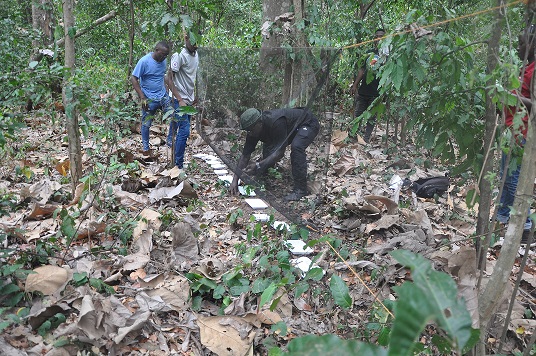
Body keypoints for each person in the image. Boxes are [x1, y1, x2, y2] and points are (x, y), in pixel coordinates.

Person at [229, 107, 320, 201]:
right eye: (248, 131)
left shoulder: (276, 122)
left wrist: (258, 165)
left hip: (308, 123)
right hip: (290, 130)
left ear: (259, 124)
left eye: (251, 130)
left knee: (297, 147)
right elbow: (245, 156)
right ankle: (264, 178)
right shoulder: (252, 130)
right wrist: (235, 180)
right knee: (268, 151)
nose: (250, 133)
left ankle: (301, 190)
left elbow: (280, 153)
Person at [497, 25, 535, 244]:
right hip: (511, 131)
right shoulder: (524, 68)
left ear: (532, 46)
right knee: (505, 176)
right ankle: (504, 219)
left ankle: (525, 229)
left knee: (515, 181)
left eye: (522, 44)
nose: (519, 48)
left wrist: (511, 98)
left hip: (522, 134)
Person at [131, 41, 173, 153]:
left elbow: (162, 76)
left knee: (174, 116)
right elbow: (134, 79)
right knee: (146, 123)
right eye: (162, 54)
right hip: (149, 98)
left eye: (166, 55)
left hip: (163, 96)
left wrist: (167, 91)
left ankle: (170, 141)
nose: (164, 57)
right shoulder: (144, 61)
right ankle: (146, 147)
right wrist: (142, 97)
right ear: (156, 50)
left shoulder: (164, 61)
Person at [166, 32, 199, 169]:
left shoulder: (196, 54)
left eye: (198, 42)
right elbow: (168, 78)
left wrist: (195, 95)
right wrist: (179, 99)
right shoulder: (179, 56)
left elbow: (193, 76)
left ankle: (170, 141)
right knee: (185, 131)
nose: (196, 45)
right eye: (193, 42)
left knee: (177, 126)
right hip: (179, 99)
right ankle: (178, 164)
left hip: (189, 99)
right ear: (186, 39)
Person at [350, 28, 386, 143]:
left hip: (376, 93)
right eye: (377, 36)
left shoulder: (386, 55)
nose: (378, 38)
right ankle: (353, 136)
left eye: (381, 36)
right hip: (363, 91)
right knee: (358, 115)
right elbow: (361, 70)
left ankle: (365, 140)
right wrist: (355, 85)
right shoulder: (369, 53)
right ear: (374, 39)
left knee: (371, 117)